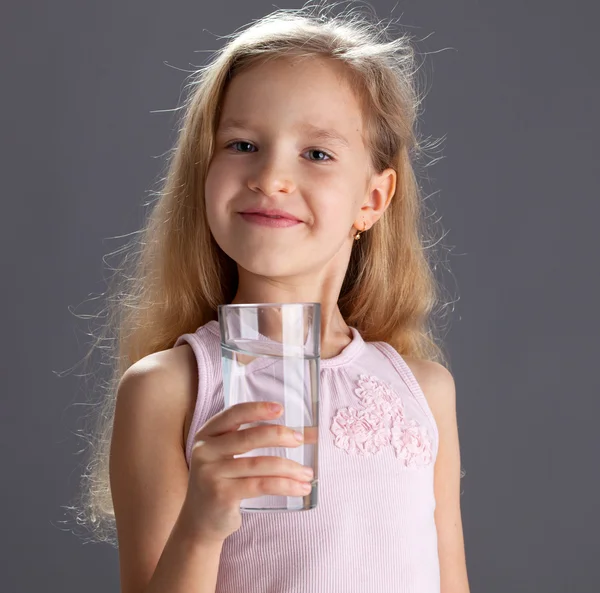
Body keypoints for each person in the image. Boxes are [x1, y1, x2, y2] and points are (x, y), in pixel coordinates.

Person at [76, 3, 470, 592]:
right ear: (202, 173)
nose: (271, 177)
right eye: (241, 145)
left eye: (316, 153)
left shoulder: (424, 391)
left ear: (373, 199)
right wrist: (201, 527)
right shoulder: (168, 388)